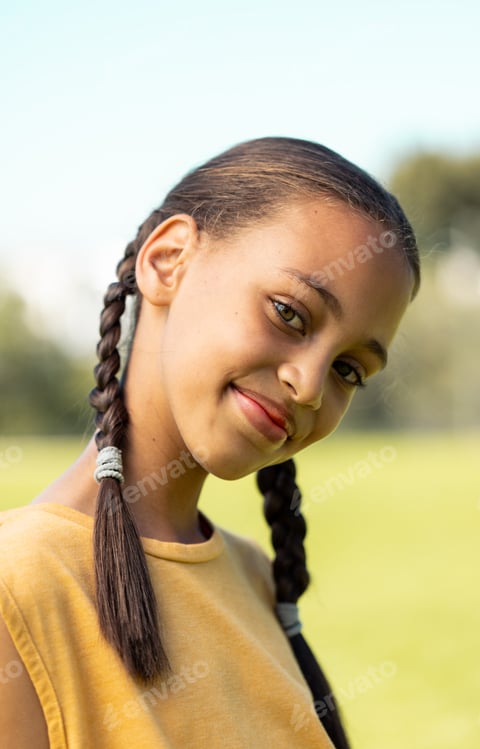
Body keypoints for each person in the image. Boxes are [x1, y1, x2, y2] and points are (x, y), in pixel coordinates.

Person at [0, 136, 419, 748]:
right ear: (168, 260)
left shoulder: (254, 577)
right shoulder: (21, 583)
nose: (307, 386)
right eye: (289, 313)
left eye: (348, 370)